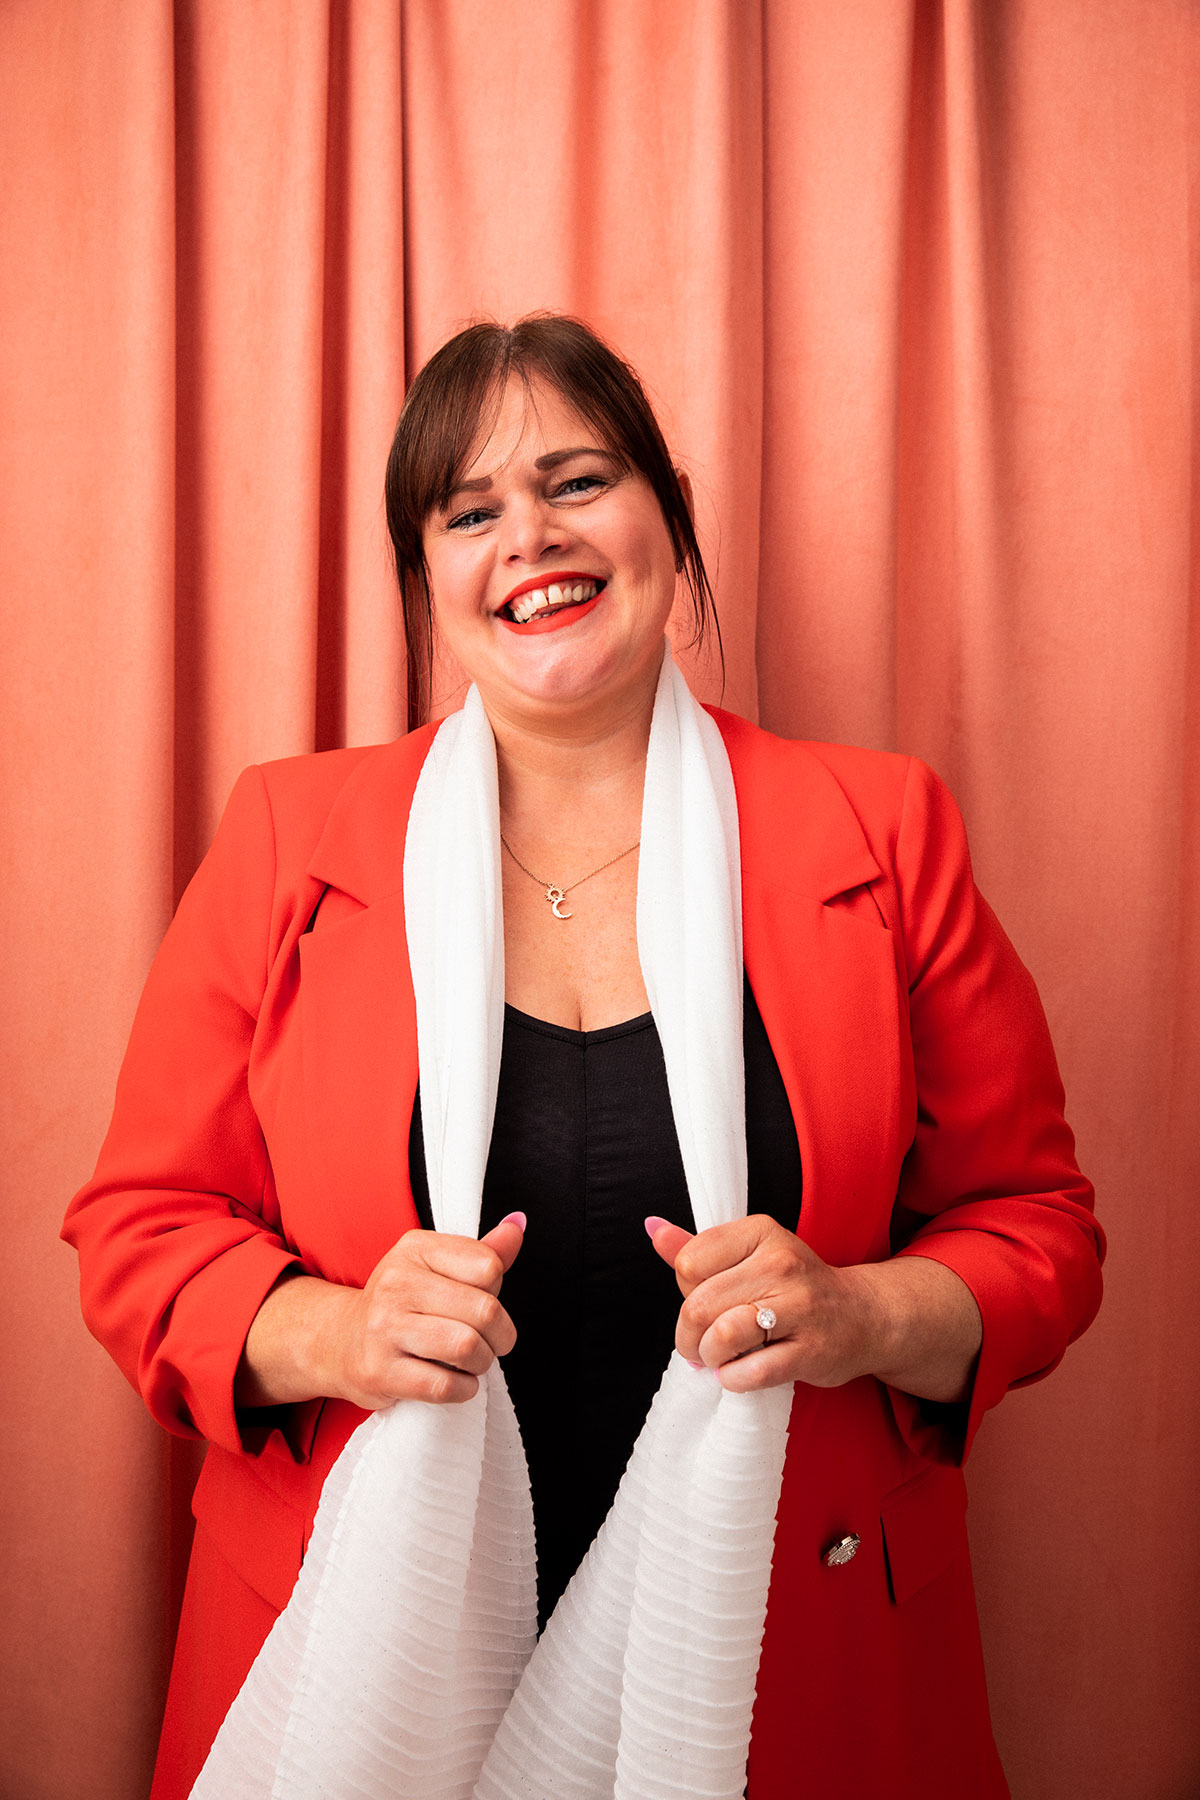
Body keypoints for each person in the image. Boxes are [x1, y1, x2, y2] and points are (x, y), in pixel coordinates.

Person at [63, 313, 1104, 1800]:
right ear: (427, 576)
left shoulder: (881, 829)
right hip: (357, 1646)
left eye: (577, 481)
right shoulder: (292, 836)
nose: (529, 540)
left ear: (666, 517)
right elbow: (139, 1233)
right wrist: (335, 1332)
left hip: (782, 1653)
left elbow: (1041, 1232)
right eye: (470, 511)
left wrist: (862, 1311)